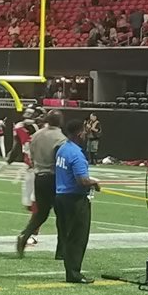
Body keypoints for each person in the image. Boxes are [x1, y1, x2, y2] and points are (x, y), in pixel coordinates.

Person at [52, 111, 100, 284]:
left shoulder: (63, 149)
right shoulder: (77, 154)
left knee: (67, 235)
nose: (87, 135)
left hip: (60, 197)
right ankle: (74, 273)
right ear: (80, 133)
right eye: (85, 132)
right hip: (75, 199)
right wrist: (94, 183)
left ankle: (70, 270)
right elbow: (82, 180)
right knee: (77, 237)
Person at [15, 113, 65, 257]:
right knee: (61, 215)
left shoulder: (37, 135)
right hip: (54, 178)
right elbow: (60, 160)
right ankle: (61, 250)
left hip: (39, 176)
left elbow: (30, 155)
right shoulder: (60, 138)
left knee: (40, 214)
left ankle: (24, 236)